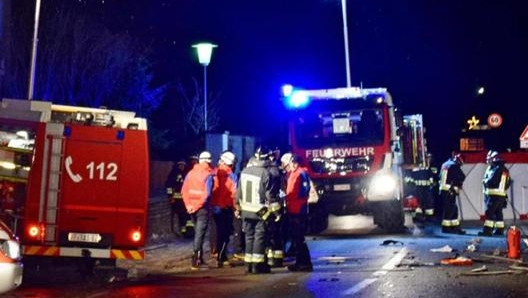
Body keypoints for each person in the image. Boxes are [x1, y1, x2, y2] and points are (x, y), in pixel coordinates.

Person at [236, 149, 276, 274]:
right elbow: (269, 196)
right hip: (260, 211)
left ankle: (248, 264)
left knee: (248, 237)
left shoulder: (244, 172)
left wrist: (238, 208)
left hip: (245, 210)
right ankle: (257, 266)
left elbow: (238, 194)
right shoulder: (265, 173)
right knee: (259, 237)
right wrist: (276, 212)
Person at [181, 151, 215, 270]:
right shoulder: (208, 175)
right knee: (200, 234)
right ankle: (196, 260)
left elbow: (184, 191)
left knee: (197, 233)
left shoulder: (190, 173)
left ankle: (198, 259)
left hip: (191, 209)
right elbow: (207, 194)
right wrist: (196, 206)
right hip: (201, 208)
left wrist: (188, 205)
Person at [280, 152, 313, 272]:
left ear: (292, 162)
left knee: (299, 238)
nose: (285, 167)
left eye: (286, 164)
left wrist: (289, 197)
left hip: (298, 210)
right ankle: (300, 262)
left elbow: (303, 191)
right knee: (296, 238)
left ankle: (305, 262)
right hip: (293, 208)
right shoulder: (293, 174)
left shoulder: (300, 173)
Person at [211, 151, 238, 267]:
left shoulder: (213, 172)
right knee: (225, 233)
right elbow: (234, 194)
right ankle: (221, 257)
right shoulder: (232, 175)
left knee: (217, 232)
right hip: (226, 208)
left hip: (214, 207)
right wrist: (236, 208)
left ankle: (216, 253)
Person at [479, 151, 511, 236]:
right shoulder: (505, 169)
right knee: (498, 213)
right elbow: (508, 182)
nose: (488, 160)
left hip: (493, 195)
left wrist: (485, 181)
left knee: (489, 213)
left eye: (489, 158)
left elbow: (492, 181)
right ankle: (499, 230)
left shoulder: (496, 168)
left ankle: (487, 231)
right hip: (501, 195)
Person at [438, 153, 466, 234]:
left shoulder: (445, 164)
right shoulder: (454, 166)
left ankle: (454, 227)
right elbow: (461, 176)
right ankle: (446, 228)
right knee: (450, 209)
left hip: (443, 189)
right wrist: (459, 184)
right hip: (450, 190)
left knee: (453, 208)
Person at [405, 153, 437, 223]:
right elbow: (409, 177)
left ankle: (428, 217)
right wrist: (411, 185)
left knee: (429, 202)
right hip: (417, 188)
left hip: (426, 188)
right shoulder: (414, 166)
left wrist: (433, 182)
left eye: (430, 158)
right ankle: (418, 217)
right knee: (418, 202)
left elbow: (433, 175)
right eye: (428, 158)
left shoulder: (429, 166)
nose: (429, 159)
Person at [165, 160, 191, 236]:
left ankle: (188, 231)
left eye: (183, 165)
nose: (182, 167)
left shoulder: (186, 173)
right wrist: (170, 196)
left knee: (186, 215)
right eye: (180, 165)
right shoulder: (174, 173)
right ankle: (185, 232)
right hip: (177, 200)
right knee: (182, 215)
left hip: (185, 199)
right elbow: (169, 185)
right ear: (178, 165)